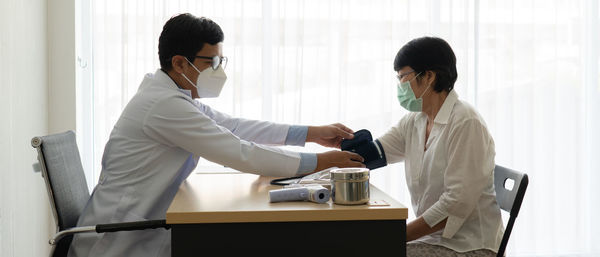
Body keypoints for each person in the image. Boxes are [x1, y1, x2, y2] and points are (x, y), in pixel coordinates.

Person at [68, 13, 364, 257]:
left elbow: (235, 127)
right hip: (118, 242)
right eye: (211, 62)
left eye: (221, 62)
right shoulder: (164, 105)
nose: (218, 71)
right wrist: (323, 161)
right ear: (180, 63)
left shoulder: (174, 96)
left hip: (141, 228)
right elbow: (240, 152)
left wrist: (313, 133)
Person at [375, 37, 503, 256]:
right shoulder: (416, 120)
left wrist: (398, 235)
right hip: (433, 240)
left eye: (403, 77)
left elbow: (455, 203)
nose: (400, 87)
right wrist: (334, 148)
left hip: (470, 246)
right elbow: (375, 152)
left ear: (428, 76)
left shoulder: (465, 122)